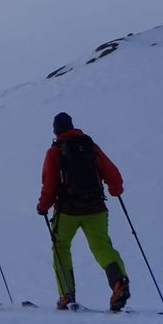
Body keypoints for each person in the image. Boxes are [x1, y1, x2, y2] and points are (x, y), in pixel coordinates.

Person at [36, 112, 130, 311]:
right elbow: (112, 173)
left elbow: (50, 184)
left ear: (56, 130)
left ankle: (66, 294)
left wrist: (43, 206)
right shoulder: (90, 146)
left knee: (60, 247)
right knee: (102, 247)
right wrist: (115, 189)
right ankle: (118, 283)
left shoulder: (54, 152)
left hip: (67, 211)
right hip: (96, 208)